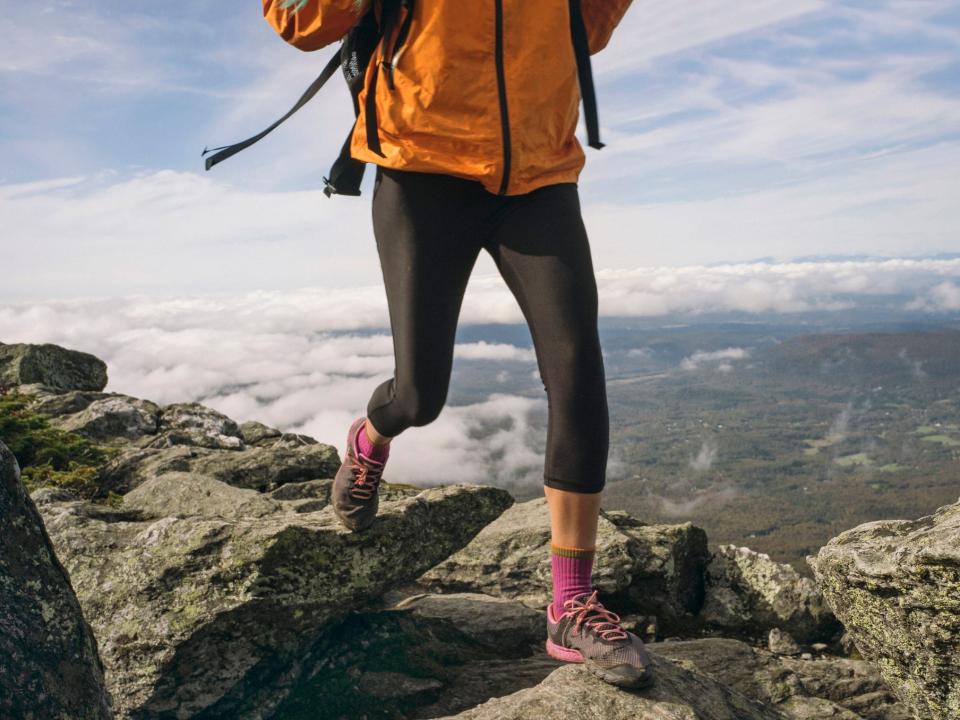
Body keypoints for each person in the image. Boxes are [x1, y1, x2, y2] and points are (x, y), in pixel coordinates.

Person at [263, 0, 654, 689]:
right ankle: (370, 438)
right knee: (420, 395)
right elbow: (299, 21)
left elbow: (584, 28)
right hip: (421, 167)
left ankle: (570, 601)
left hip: (539, 172)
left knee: (576, 372)